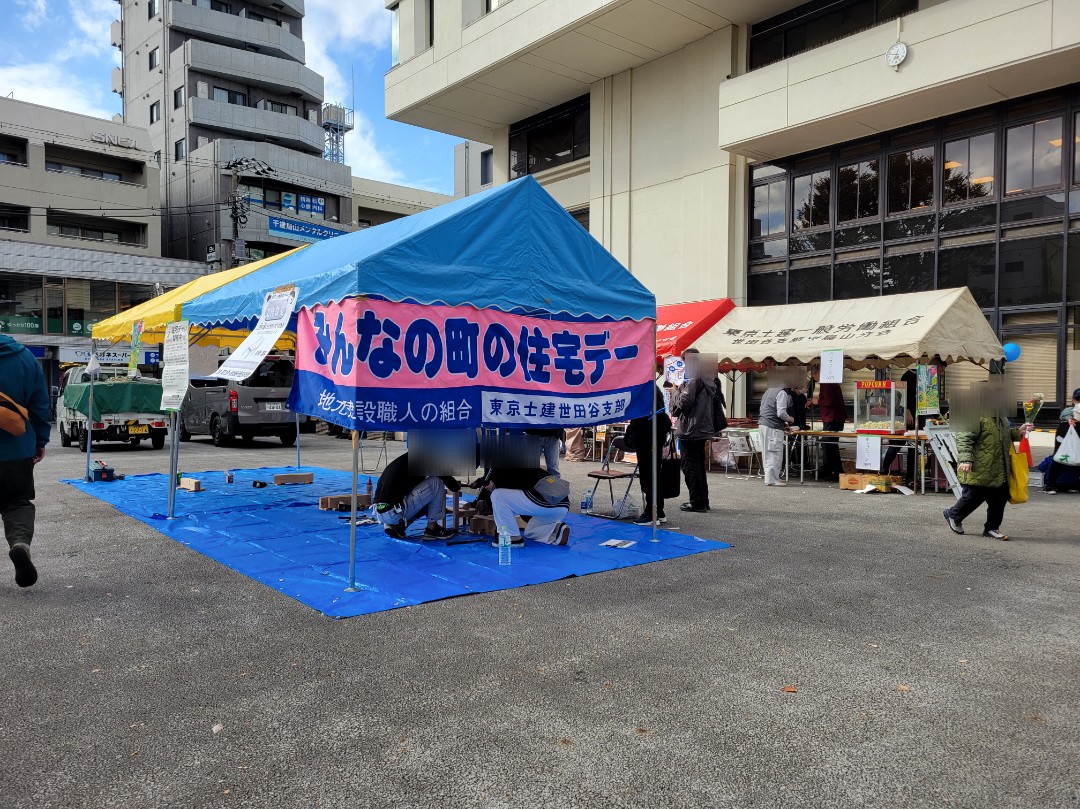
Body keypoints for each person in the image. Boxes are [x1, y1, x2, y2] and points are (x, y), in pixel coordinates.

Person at [0, 334, 52, 588]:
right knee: (17, 503)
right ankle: (20, 544)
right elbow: (40, 405)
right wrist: (40, 440)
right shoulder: (24, 358)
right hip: (16, 450)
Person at [943, 396, 1032, 541]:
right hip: (980, 465)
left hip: (998, 466)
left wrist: (1018, 432)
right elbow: (964, 438)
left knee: (1000, 497)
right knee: (973, 495)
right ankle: (953, 514)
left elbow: (1005, 435)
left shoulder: (1000, 416)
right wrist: (965, 459)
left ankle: (992, 528)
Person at [474, 466, 570, 547]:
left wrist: (478, 501)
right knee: (530, 531)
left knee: (497, 495)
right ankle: (557, 530)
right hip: (562, 505)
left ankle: (511, 537)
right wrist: (480, 483)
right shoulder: (521, 458)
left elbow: (494, 482)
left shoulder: (502, 466)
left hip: (547, 501)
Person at [373, 452, 461, 540]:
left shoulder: (409, 459)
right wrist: (457, 485)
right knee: (437, 482)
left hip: (381, 512)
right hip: (394, 512)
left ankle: (397, 526)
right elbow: (452, 485)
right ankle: (432, 529)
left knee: (424, 496)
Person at [671, 348, 716, 512]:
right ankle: (703, 501)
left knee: (690, 465)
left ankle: (697, 501)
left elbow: (684, 403)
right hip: (702, 428)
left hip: (690, 428)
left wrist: (675, 391)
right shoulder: (707, 378)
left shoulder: (693, 378)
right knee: (698, 465)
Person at [627, 382, 671, 526]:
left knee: (649, 474)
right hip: (654, 430)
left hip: (648, 431)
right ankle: (659, 510)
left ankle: (651, 512)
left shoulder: (644, 386)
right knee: (653, 472)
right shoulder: (651, 386)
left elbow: (637, 410)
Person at [758, 375, 803, 487]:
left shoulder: (769, 390)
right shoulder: (782, 393)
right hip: (773, 426)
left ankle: (769, 478)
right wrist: (790, 419)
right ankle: (772, 479)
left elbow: (764, 408)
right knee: (774, 452)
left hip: (763, 424)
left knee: (767, 453)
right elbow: (781, 413)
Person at [880, 369, 918, 485]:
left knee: (912, 447)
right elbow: (905, 393)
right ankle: (884, 469)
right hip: (904, 417)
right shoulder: (910, 375)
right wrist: (907, 411)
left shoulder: (922, 376)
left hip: (915, 416)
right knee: (896, 444)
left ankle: (910, 477)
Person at [1043, 404, 1080, 495]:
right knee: (1059, 458)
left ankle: (1073, 484)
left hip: (1074, 433)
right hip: (1066, 434)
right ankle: (1050, 484)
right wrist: (1069, 418)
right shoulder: (1069, 410)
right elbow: (1064, 414)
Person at [816, 374, 846, 480]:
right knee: (829, 444)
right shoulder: (831, 382)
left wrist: (817, 401)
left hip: (832, 418)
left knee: (829, 445)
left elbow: (828, 401)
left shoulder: (826, 383)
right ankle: (828, 469)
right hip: (834, 417)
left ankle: (836, 471)